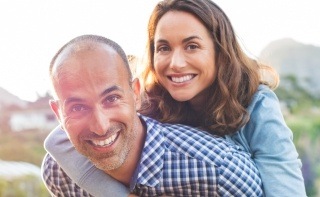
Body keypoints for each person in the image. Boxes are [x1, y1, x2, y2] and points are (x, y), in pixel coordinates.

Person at [44, 0, 306, 196]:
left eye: (191, 46)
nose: (175, 63)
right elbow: (58, 140)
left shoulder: (256, 103)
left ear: (219, 50)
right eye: (164, 48)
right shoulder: (148, 97)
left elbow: (285, 184)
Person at [41, 34, 264, 196]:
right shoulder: (59, 173)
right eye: (78, 107)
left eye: (112, 99)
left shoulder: (220, 172)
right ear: (58, 114)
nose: (100, 126)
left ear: (136, 94)